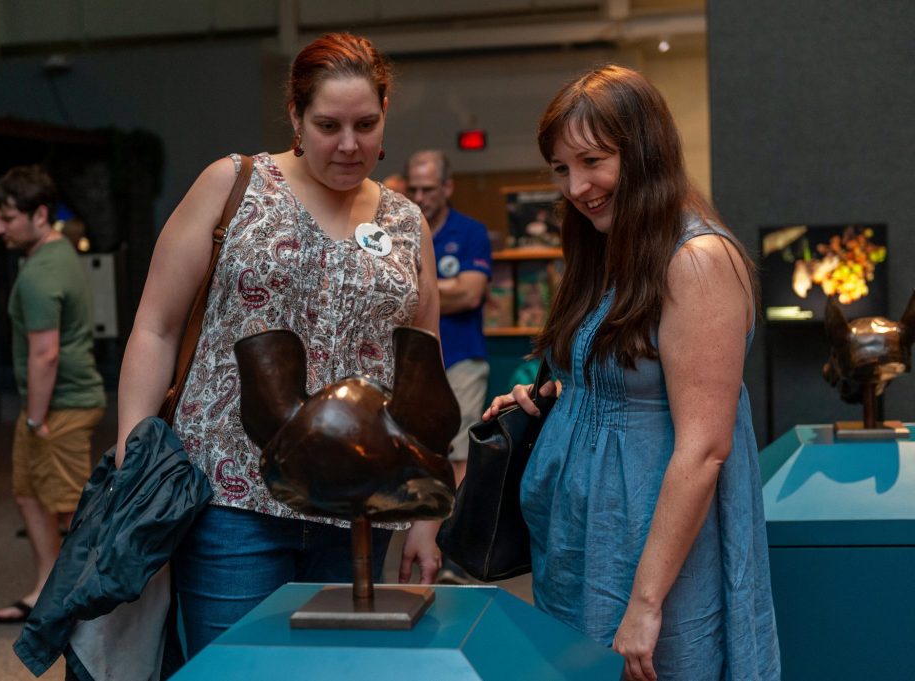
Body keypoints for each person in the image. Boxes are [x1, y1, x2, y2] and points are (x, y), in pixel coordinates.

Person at [115, 32, 442, 657]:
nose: (349, 145)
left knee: (339, 673)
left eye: (365, 124)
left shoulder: (405, 221)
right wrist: (138, 459)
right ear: (295, 116)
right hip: (231, 494)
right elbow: (155, 326)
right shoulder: (233, 184)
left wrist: (426, 512)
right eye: (327, 125)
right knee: (235, 668)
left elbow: (422, 364)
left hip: (360, 509)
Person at [484, 65, 779, 680]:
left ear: (645, 152)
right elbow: (618, 372)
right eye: (562, 168)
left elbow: (704, 448)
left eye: (593, 161)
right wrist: (553, 398)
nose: (577, 186)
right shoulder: (610, 247)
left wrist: (645, 605)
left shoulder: (697, 260)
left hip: (650, 551)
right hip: (582, 543)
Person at [0, 166, 106, 624]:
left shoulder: (41, 272)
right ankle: (47, 587)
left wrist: (36, 419)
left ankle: (87, 603)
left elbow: (45, 354)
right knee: (29, 494)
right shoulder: (54, 256)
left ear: (39, 214)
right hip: (50, 405)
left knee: (69, 504)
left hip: (60, 406)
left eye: (8, 218)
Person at [404, 150, 492, 485]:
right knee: (415, 451)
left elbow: (470, 293)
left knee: (457, 453)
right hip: (414, 364)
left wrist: (414, 288)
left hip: (461, 359)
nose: (420, 198)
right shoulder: (400, 232)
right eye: (414, 190)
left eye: (428, 189)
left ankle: (450, 536)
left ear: (447, 187)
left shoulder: (470, 232)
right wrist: (446, 288)